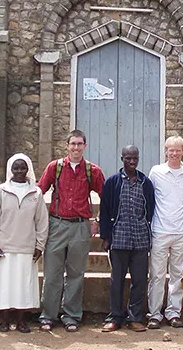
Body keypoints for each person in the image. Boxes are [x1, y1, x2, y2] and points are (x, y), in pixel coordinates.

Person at [36, 130, 105, 332]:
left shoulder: (93, 171)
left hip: (80, 226)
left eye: (79, 144)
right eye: (72, 144)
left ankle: (71, 316)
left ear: (85, 146)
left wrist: (97, 220)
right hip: (57, 224)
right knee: (52, 273)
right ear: (66, 146)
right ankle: (48, 315)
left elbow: (106, 197)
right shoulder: (55, 167)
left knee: (76, 273)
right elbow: (38, 192)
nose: (76, 148)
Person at [0, 153, 49, 333]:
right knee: (5, 286)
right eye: (16, 168)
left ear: (28, 169)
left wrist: (39, 245)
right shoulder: (1, 192)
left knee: (24, 286)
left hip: (27, 248)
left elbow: (42, 222)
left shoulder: (36, 193)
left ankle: (21, 321)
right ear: (10, 170)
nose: (19, 171)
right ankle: (4, 321)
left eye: (23, 168)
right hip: (4, 247)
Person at [100, 145, 156, 333]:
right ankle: (115, 317)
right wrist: (106, 236)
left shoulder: (145, 183)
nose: (132, 162)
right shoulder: (112, 183)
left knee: (140, 280)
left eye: (135, 158)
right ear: (121, 158)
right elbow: (105, 210)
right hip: (119, 239)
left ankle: (135, 318)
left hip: (140, 239)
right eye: (128, 158)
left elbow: (151, 209)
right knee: (117, 280)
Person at [146, 136, 183, 329]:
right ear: (165, 151)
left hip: (181, 232)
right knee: (157, 275)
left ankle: (174, 312)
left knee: (177, 274)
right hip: (159, 230)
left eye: (178, 150)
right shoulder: (156, 172)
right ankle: (154, 314)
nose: (174, 153)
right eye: (170, 150)